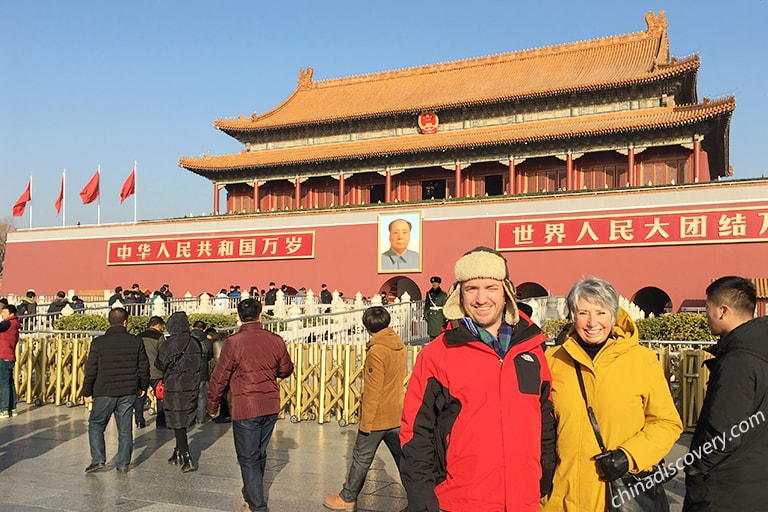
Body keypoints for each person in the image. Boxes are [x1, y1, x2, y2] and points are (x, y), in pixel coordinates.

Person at [400, 246, 556, 511]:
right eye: (471, 288)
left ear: (506, 293)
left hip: (524, 499)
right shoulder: (438, 354)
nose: (481, 298)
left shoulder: (531, 349)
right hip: (460, 500)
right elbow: (416, 433)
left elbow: (545, 419)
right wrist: (424, 501)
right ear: (460, 294)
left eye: (491, 288)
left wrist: (544, 477)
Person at [541, 277, 682, 511]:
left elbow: (667, 422)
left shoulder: (641, 361)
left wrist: (630, 456)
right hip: (561, 497)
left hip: (618, 496)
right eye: (583, 313)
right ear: (572, 317)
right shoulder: (553, 361)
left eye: (601, 312)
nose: (592, 322)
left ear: (614, 316)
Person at [684, 276, 768, 511]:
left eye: (706, 308)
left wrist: (696, 467)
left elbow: (723, 434)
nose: (705, 315)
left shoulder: (738, 360)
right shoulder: (759, 347)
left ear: (723, 311)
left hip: (727, 490)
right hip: (757, 480)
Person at [207, 298, 294, 512]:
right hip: (270, 404)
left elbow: (220, 377)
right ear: (260, 315)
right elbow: (285, 370)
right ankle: (249, 494)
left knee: (248, 458)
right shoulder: (275, 340)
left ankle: (258, 506)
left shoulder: (233, 343)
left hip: (246, 406)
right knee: (259, 454)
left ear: (238, 317)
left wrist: (212, 405)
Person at [323, 306, 408, 510]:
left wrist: (366, 421)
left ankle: (347, 496)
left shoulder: (377, 350)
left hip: (378, 414)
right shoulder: (400, 346)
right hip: (397, 411)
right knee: (404, 459)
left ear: (367, 327)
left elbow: (373, 389)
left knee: (361, 457)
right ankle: (418, 499)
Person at [82, 307, 149, 473]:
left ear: (109, 322)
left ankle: (98, 459)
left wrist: (86, 391)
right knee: (125, 429)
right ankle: (123, 464)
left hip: (104, 390)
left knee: (96, 424)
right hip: (128, 390)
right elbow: (143, 367)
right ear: (125, 322)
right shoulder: (136, 341)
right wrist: (142, 386)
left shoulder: (98, 343)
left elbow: (91, 369)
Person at [156, 311, 201, 473]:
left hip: (175, 386)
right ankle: (177, 452)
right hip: (192, 384)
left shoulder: (169, 344)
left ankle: (187, 456)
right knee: (183, 417)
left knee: (177, 420)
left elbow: (160, 364)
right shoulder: (195, 342)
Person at [134, 316, 166, 429]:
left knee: (140, 396)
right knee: (160, 396)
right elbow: (163, 355)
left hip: (141, 371)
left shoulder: (138, 337)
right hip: (156, 372)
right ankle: (160, 421)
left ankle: (139, 420)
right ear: (158, 325)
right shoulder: (160, 337)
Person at [0, 304, 21, 419]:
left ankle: (3, 409)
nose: (2, 314)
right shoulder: (14, 324)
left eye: (4, 312)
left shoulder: (8, 323)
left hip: (3, 356)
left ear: (11, 313)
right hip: (9, 356)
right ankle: (12, 408)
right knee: (9, 383)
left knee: (3, 383)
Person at [191, 320, 213, 424]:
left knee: (189, 394)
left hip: (189, 371)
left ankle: (190, 417)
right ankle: (201, 418)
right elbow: (210, 355)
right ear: (204, 329)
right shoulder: (207, 341)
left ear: (192, 327)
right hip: (202, 370)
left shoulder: (188, 339)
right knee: (201, 395)